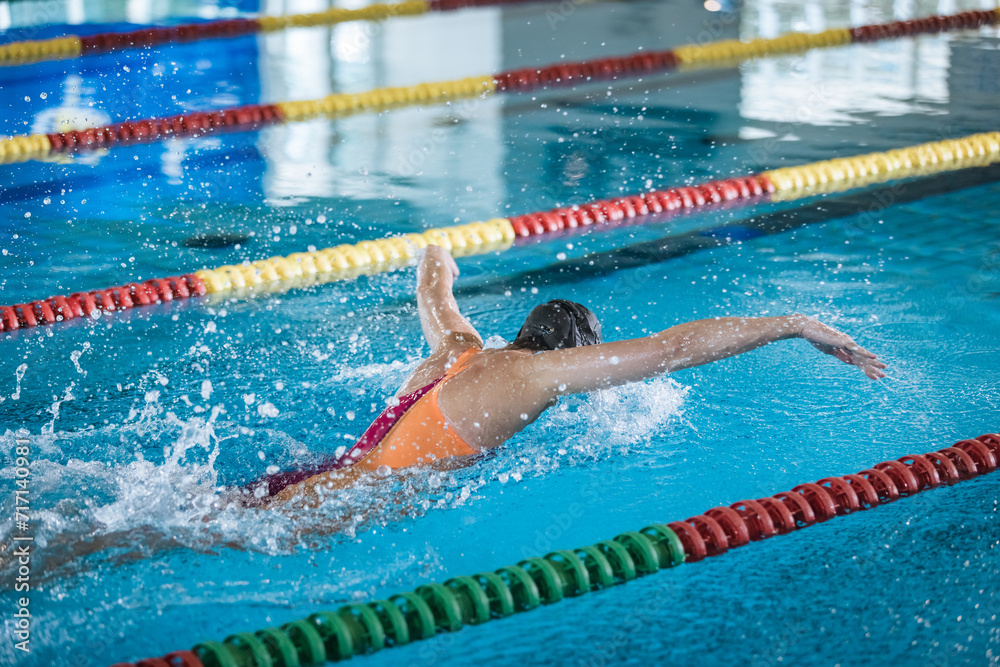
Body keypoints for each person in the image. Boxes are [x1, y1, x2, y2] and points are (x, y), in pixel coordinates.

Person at [250, 245, 886, 507]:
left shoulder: (460, 349)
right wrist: (794, 323)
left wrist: (438, 252)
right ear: (571, 354)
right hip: (344, 504)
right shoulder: (532, 379)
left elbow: (435, 294)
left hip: (322, 473)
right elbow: (673, 348)